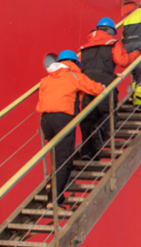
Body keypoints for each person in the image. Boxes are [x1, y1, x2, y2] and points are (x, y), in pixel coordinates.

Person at [37, 50, 105, 206]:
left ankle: (52, 184)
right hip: (63, 119)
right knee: (65, 160)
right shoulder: (73, 75)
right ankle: (54, 200)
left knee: (57, 155)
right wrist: (105, 85)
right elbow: (95, 89)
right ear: (74, 63)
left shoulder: (46, 79)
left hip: (45, 120)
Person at [78, 17, 140, 160]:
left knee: (88, 118)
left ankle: (87, 152)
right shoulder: (113, 43)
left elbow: (79, 69)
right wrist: (137, 53)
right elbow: (122, 61)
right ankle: (99, 130)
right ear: (111, 31)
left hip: (87, 85)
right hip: (105, 84)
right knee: (110, 115)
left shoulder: (84, 48)